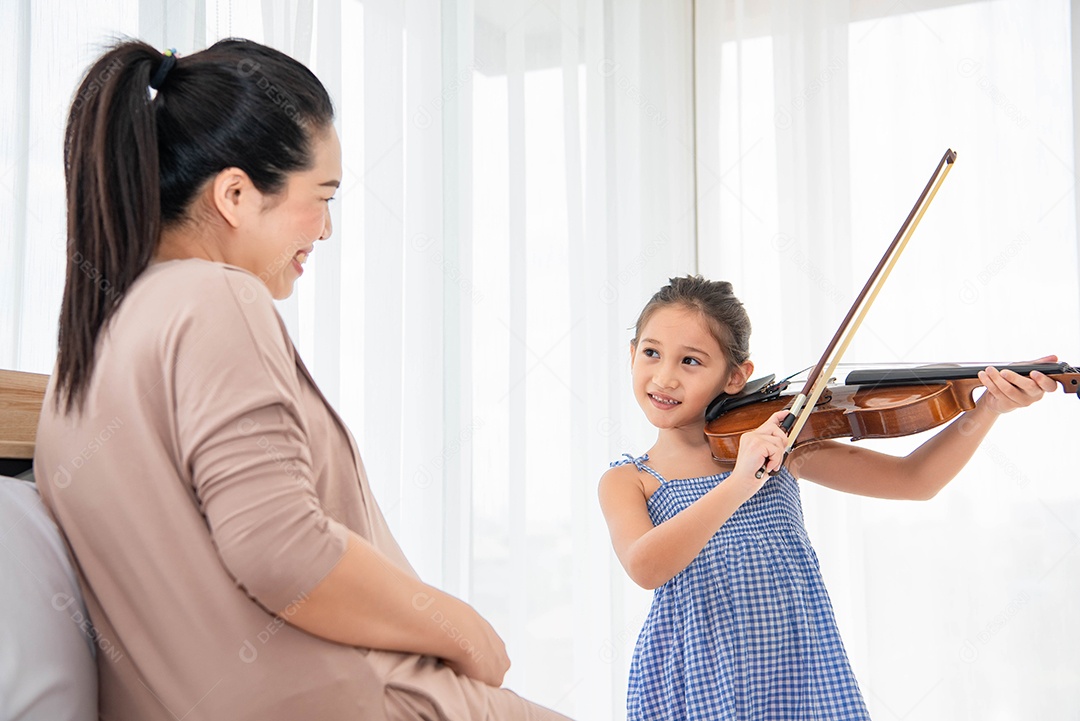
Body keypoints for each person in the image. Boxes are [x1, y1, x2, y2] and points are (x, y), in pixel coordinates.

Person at [33, 39, 571, 721]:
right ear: (234, 194)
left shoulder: (88, 349)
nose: (326, 228)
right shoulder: (216, 298)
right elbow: (282, 550)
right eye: (320, 197)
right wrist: (461, 627)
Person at [597, 275, 1057, 720]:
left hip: (798, 668)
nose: (665, 377)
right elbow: (646, 566)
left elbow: (915, 480)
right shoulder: (630, 480)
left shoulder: (784, 444)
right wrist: (738, 483)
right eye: (652, 353)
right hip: (694, 677)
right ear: (632, 354)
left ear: (736, 376)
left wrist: (988, 409)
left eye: (690, 361)